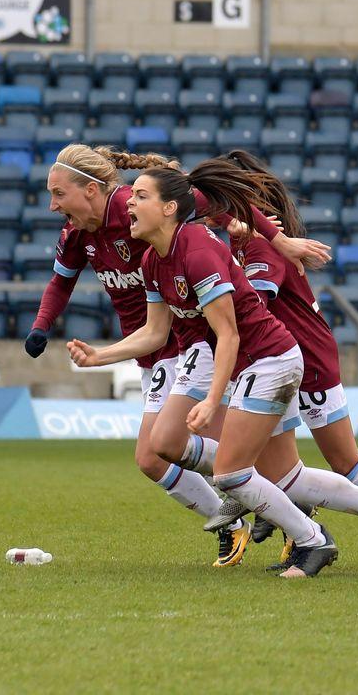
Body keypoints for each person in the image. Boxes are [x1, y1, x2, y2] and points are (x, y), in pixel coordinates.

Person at [66, 161, 358, 577]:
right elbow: (154, 333)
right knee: (218, 460)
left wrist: (212, 400)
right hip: (245, 363)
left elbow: (229, 335)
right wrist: (99, 356)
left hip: (270, 359)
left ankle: (312, 539)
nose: (128, 204)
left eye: (140, 196)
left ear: (168, 209)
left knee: (234, 473)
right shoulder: (151, 262)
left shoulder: (197, 249)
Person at [30, 144, 329, 567]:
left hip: (198, 343)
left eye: (58, 194)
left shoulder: (142, 205)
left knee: (219, 456)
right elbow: (61, 285)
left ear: (91, 190)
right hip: (155, 346)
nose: (51, 205)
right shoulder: (79, 235)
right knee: (156, 458)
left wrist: (276, 240)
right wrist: (41, 327)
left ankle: (307, 523)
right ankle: (244, 517)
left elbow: (218, 198)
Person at [209, 149, 358, 568]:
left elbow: (255, 305)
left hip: (306, 359)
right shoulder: (246, 242)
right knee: (279, 462)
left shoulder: (264, 247)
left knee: (345, 460)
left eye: (218, 201)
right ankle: (291, 523)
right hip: (282, 358)